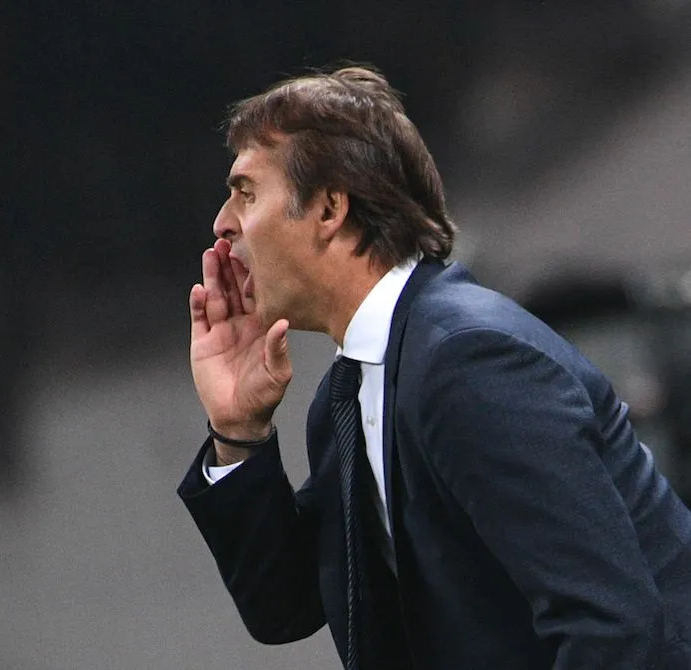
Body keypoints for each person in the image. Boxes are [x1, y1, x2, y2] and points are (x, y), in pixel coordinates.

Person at [177, 64, 691, 669]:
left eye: (246, 192)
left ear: (329, 208)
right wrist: (238, 430)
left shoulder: (468, 360)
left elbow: (612, 630)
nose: (223, 223)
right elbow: (285, 606)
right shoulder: (353, 388)